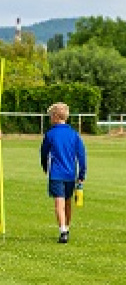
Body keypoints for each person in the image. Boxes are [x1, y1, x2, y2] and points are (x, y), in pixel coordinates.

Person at [40, 102, 87, 244]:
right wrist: (81, 175)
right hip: (70, 174)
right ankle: (66, 227)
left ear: (55, 117)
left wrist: (44, 167)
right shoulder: (74, 134)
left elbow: (43, 153)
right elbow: (82, 156)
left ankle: (63, 231)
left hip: (56, 173)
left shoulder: (50, 134)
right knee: (67, 202)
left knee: (58, 203)